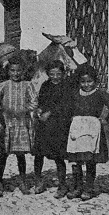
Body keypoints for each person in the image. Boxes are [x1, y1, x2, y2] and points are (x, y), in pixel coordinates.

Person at [66, 64, 109, 201]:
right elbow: (66, 109)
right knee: (76, 160)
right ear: (79, 81)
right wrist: (71, 118)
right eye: (83, 81)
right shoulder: (75, 94)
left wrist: (106, 120)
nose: (86, 84)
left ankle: (88, 188)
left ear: (95, 81)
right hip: (77, 130)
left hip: (92, 131)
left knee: (90, 160)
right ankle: (77, 187)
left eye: (89, 81)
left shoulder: (100, 93)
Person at [32, 60, 76, 198]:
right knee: (39, 154)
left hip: (59, 126)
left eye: (58, 74)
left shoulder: (67, 86)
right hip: (44, 126)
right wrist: (39, 110)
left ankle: (62, 185)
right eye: (52, 74)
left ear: (63, 73)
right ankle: (38, 181)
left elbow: (66, 105)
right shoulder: (45, 86)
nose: (55, 77)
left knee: (59, 156)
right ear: (48, 74)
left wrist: (49, 113)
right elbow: (42, 101)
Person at [0, 56, 38, 194]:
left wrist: (24, 109)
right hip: (6, 124)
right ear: (8, 72)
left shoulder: (28, 85)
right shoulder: (3, 85)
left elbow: (34, 102)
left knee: (20, 154)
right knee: (3, 154)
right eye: (13, 70)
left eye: (18, 71)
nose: (16, 73)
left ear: (23, 71)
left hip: (21, 124)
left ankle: (22, 180)